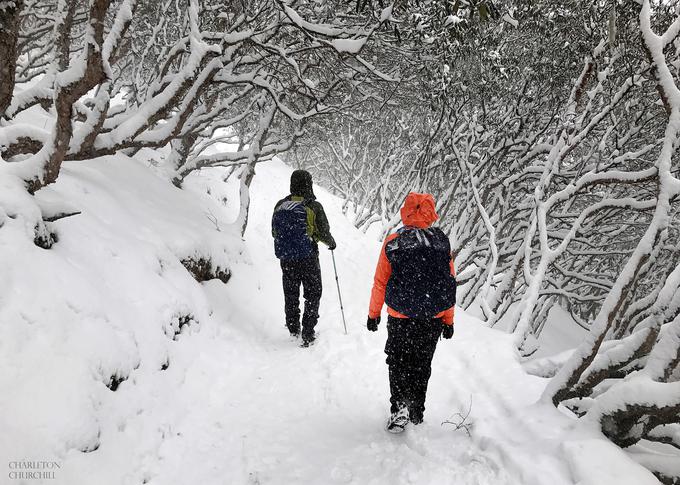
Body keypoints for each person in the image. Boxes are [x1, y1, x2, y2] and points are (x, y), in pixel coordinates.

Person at [366, 192, 456, 433]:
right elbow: (449, 283)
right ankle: (417, 411)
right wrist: (448, 319)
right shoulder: (441, 243)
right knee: (422, 363)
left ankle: (399, 408)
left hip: (400, 317)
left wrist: (373, 314)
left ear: (405, 211)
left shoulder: (394, 242)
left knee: (398, 361)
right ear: (431, 212)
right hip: (432, 319)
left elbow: (380, 282)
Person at [272, 169, 336, 347]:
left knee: (291, 292)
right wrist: (330, 242)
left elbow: (274, 232)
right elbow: (323, 232)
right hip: (308, 257)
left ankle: (293, 328)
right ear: (309, 184)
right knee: (313, 293)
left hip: (287, 258)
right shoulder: (314, 206)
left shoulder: (281, 205)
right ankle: (308, 331)